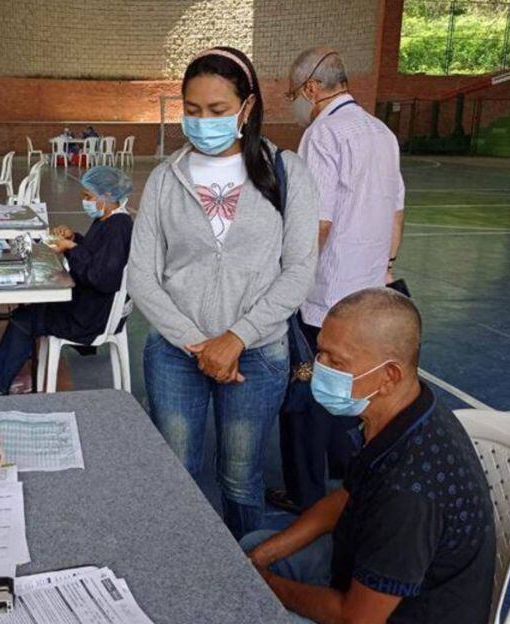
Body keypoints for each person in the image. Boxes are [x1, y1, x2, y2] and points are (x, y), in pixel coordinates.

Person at [128, 46, 318, 538]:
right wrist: (198, 343)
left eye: (216, 111)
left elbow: (299, 271)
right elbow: (142, 276)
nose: (202, 121)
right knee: (176, 469)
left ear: (247, 107)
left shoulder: (287, 172)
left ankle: (247, 565)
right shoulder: (166, 180)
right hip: (175, 353)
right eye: (192, 111)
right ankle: (179, 559)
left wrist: (235, 338)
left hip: (256, 354)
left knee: (241, 475)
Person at [241, 288, 496, 624]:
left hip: (396, 613)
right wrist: (261, 557)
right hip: (362, 560)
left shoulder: (409, 491)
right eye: (320, 354)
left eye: (337, 361)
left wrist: (269, 585)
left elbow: (356, 619)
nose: (320, 369)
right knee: (252, 545)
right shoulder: (402, 412)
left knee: (246, 607)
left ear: (389, 376)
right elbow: (347, 497)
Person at [273, 47, 406, 512]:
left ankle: (306, 497)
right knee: (351, 390)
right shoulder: (382, 133)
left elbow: (319, 222)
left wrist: (288, 278)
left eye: (294, 94)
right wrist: (384, 265)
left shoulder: (323, 133)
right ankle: (352, 478)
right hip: (370, 289)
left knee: (306, 397)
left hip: (325, 295)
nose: (295, 103)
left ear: (311, 89)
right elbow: (396, 211)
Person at [0, 166, 133, 395]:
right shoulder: (107, 220)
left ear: (108, 196)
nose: (85, 201)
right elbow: (96, 256)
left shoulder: (118, 227)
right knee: (30, 311)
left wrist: (71, 249)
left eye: (89, 196)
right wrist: (75, 238)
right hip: (89, 304)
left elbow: (102, 278)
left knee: (25, 319)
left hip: (92, 316)